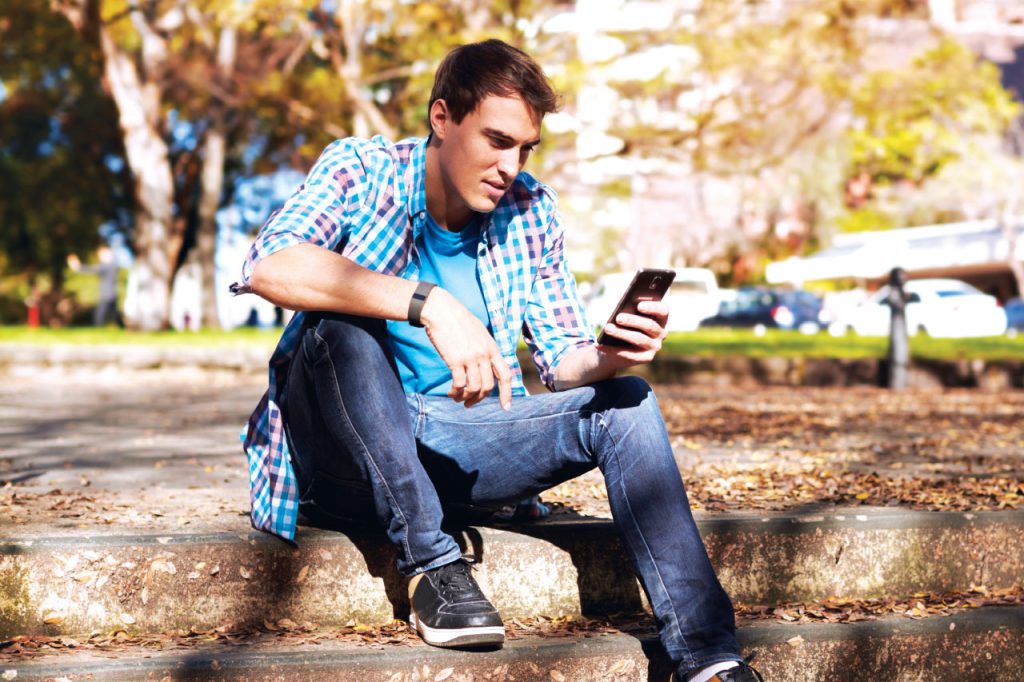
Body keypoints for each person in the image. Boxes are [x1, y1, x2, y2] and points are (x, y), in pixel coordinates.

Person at [231, 40, 761, 682]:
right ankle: (434, 565)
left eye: (525, 148)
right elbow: (270, 265)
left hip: (457, 440)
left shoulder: (530, 211)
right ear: (442, 118)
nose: (510, 165)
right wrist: (429, 304)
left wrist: (609, 356)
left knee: (628, 403)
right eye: (496, 140)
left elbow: (561, 361)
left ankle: (709, 658)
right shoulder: (361, 168)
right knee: (337, 323)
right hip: (345, 458)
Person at [68, 245, 123, 327]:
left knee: (99, 315)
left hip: (107, 295)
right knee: (114, 314)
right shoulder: (112, 265)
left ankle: (98, 327)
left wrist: (78, 267)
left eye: (102, 254)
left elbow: (93, 269)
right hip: (111, 294)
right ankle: (122, 327)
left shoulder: (108, 265)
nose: (101, 257)